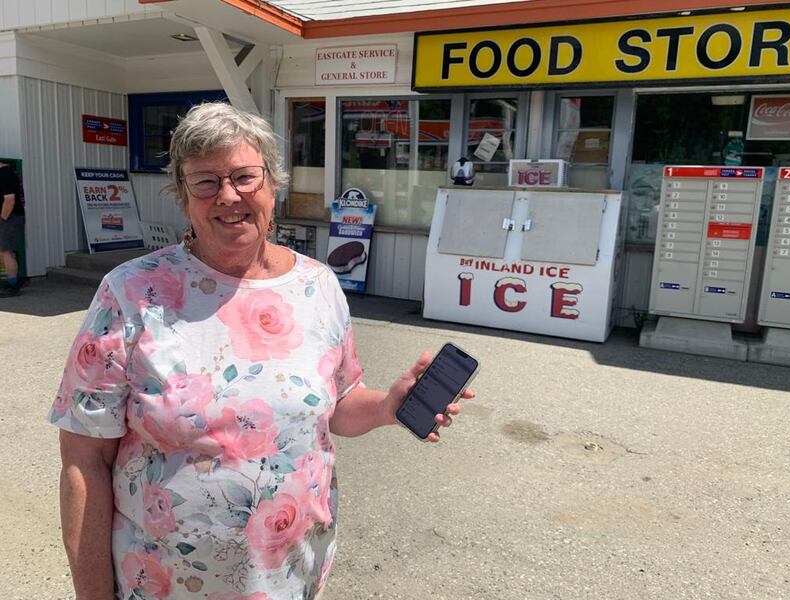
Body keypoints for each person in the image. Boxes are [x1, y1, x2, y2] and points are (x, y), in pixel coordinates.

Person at [49, 102, 474, 600]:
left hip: (290, 577)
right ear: (183, 198)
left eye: (245, 177)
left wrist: (386, 406)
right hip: (164, 583)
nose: (228, 196)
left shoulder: (318, 286)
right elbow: (83, 462)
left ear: (273, 185)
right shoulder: (130, 292)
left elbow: (336, 404)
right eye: (205, 182)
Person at [0, 161, 25, 297]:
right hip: (8, 218)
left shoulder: (5, 174)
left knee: (6, 251)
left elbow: (9, 200)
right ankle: (14, 278)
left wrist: (2, 219)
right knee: (5, 252)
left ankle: (12, 285)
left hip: (10, 217)